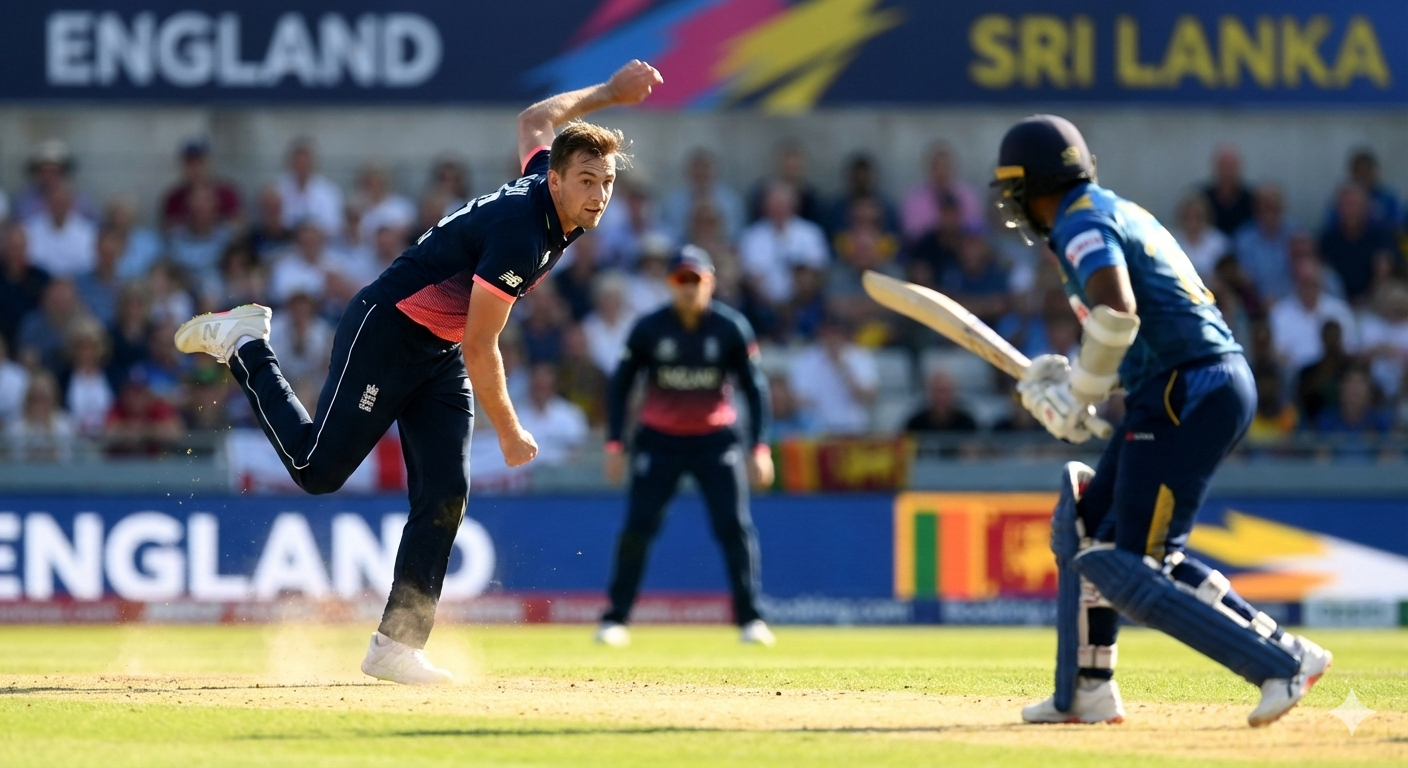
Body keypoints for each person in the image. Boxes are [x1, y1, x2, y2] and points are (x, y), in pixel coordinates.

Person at [174, 59, 662, 685]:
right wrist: (510, 430)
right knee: (317, 472)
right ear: (558, 180)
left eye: (607, 183)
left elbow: (535, 118)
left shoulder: (547, 187)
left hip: (437, 352)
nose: (599, 194)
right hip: (388, 332)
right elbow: (483, 347)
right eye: (587, 181)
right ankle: (246, 344)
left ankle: (395, 646)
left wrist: (611, 93)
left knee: (444, 494)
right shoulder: (522, 234)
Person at [990, 115, 1329, 729]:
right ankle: (1087, 690)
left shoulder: (1079, 220)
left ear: (1037, 183)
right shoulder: (1107, 208)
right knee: (1088, 531)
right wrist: (1073, 385)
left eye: (1016, 189)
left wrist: (1080, 392)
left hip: (1190, 387)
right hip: (1184, 382)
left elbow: (1117, 313)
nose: (1014, 205)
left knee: (1140, 563)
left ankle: (1283, 659)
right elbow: (1142, 327)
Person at [597, 245, 775, 648]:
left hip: (716, 440)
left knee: (734, 528)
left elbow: (755, 388)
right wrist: (615, 444)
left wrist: (760, 448)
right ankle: (615, 619)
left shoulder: (730, 328)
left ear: (710, 282)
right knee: (638, 528)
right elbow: (621, 386)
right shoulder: (649, 328)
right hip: (660, 440)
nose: (689, 287)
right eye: (681, 280)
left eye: (696, 280)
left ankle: (751, 619)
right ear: (670, 283)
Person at [1319, 183, 1397, 305]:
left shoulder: (1379, 233)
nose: (1349, 210)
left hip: (1372, 299)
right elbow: (1324, 273)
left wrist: (1366, 299)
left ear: (1366, 208)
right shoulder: (1328, 237)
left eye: (1353, 204)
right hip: (1337, 300)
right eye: (1344, 204)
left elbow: (1383, 271)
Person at [515, 362, 589, 466]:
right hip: (526, 471)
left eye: (544, 386)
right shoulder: (515, 415)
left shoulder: (571, 415)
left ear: (554, 385)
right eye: (537, 386)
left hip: (563, 472)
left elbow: (579, 452)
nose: (540, 390)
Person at [160, 138, 242, 231]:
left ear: (209, 163)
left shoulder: (226, 194)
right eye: (190, 163)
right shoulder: (174, 199)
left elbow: (239, 228)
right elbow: (169, 232)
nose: (196, 168)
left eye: (200, 162)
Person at [1233, 184, 1296, 303]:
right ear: (1256, 208)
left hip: (1293, 303)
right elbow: (1243, 279)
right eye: (1266, 206)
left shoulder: (1296, 235)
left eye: (1274, 206)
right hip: (1256, 305)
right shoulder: (1243, 239)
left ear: (1282, 207)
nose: (1270, 210)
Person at [276, 138, 345, 238]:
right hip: (287, 242)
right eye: (298, 161)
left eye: (305, 161)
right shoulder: (278, 189)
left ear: (313, 162)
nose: (301, 166)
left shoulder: (329, 192)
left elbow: (334, 226)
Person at [1201, 144, 1254, 236]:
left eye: (1231, 167)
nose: (1227, 172)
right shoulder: (1203, 198)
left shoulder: (1251, 199)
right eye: (1223, 167)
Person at [905, 369, 977, 433]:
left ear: (953, 392)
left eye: (945, 391)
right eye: (937, 391)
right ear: (928, 393)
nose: (941, 397)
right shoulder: (915, 424)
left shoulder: (967, 423)